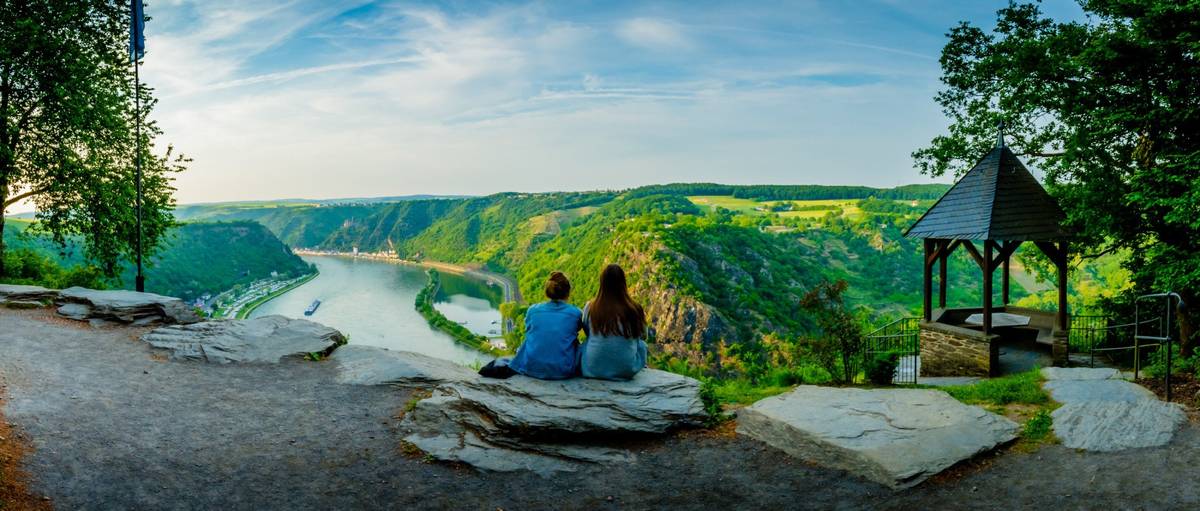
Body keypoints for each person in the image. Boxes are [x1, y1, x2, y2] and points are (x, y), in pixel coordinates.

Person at [480, 271, 582, 380]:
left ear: (547, 292)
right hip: (563, 371)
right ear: (568, 293)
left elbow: (530, 331)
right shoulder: (575, 313)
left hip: (531, 368)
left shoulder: (533, 310)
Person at [579, 264, 648, 381]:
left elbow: (587, 331)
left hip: (592, 368)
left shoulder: (590, 307)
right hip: (625, 370)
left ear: (602, 284)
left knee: (586, 342)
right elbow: (643, 335)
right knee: (641, 345)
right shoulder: (635, 309)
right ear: (623, 283)